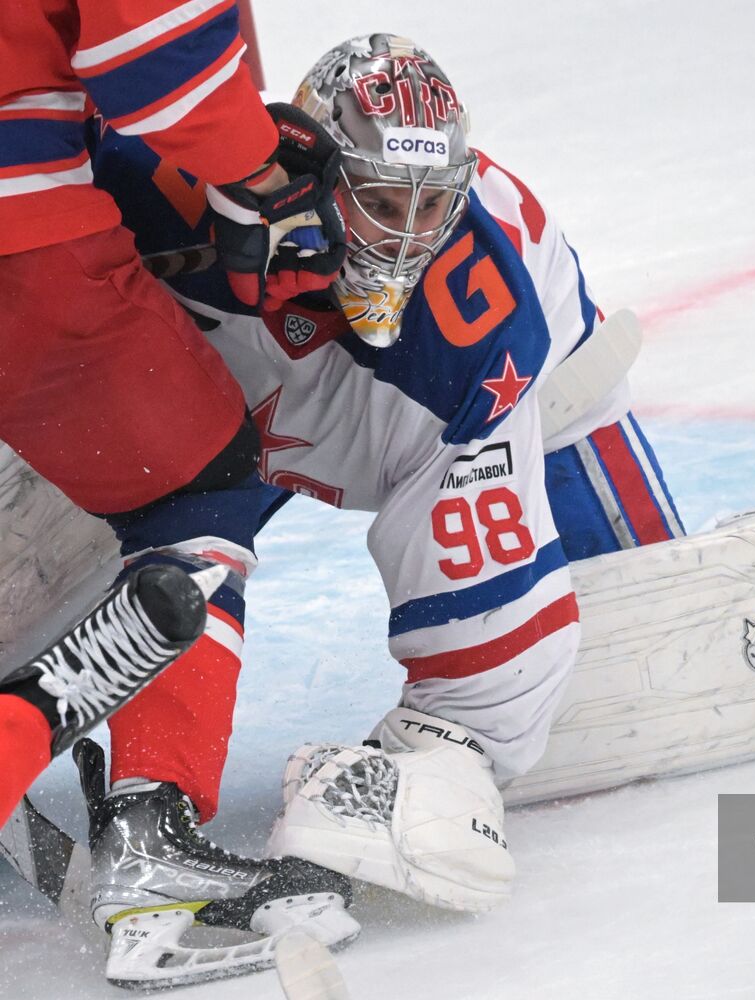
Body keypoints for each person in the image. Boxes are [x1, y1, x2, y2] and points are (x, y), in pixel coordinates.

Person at [76, 29, 683, 979]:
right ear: (310, 166)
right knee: (179, 512)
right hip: (233, 384)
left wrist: (443, 748)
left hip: (498, 399)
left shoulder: (475, 325)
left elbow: (491, 650)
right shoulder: (162, 176)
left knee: (547, 637)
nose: (404, 234)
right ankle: (140, 787)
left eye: (429, 204)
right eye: (380, 201)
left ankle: (639, 572)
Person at [0, 2, 360, 988]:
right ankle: (149, 836)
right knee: (195, 485)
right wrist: (262, 168)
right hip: (18, 235)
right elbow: (154, 59)